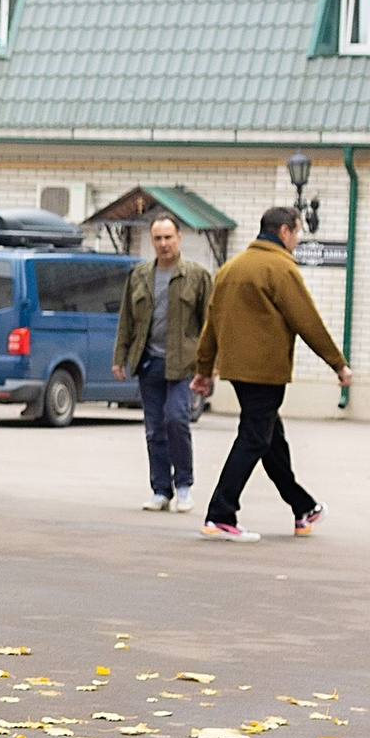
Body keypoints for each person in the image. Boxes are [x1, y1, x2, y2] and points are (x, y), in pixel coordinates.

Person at [194, 207, 348, 539]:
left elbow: (212, 324)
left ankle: (302, 506)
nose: (297, 240)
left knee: (269, 438)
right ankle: (221, 513)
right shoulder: (279, 267)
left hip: (237, 371)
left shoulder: (230, 268)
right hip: (266, 371)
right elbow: (307, 320)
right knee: (254, 438)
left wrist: (204, 369)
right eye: (296, 233)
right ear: (283, 232)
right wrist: (337, 363)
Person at [111, 212, 212, 512]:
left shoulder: (197, 275)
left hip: (183, 365)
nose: (164, 243)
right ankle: (160, 490)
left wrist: (210, 365)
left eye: (169, 237)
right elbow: (126, 320)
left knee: (176, 420)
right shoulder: (140, 275)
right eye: (158, 238)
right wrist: (120, 358)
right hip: (149, 363)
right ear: (152, 241)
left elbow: (210, 322)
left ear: (179, 238)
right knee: (154, 428)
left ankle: (184, 486)